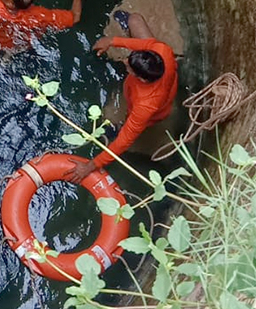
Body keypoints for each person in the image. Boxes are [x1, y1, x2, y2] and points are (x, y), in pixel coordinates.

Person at [68, 10, 178, 182]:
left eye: (129, 66)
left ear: (141, 78)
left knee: (123, 130)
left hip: (153, 111)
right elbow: (146, 45)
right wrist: (112, 41)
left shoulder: (145, 106)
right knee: (135, 19)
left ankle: (119, 125)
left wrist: (91, 166)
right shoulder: (163, 51)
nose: (125, 61)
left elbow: (124, 142)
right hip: (161, 81)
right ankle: (130, 27)